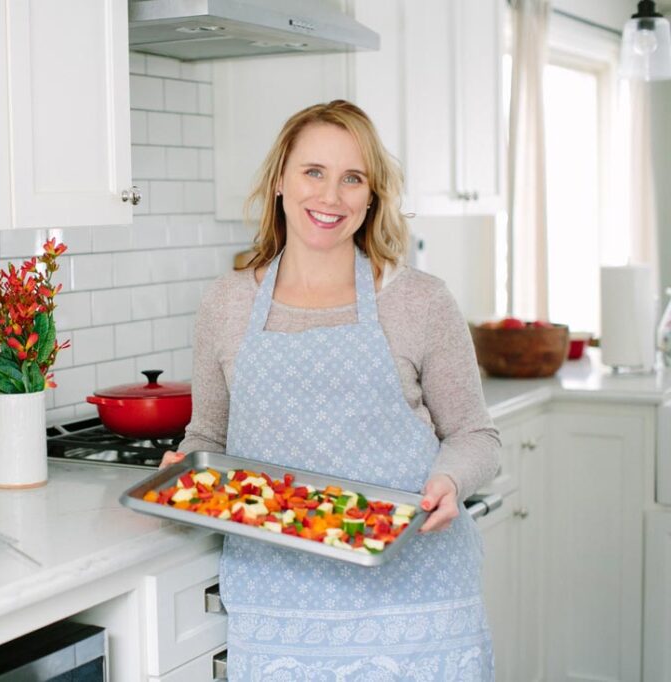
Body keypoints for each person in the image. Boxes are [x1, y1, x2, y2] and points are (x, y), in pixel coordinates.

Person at [161, 100, 500, 680]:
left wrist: (450, 479)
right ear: (279, 182)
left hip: (416, 594)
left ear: (371, 196)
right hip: (279, 600)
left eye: (353, 178)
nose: (331, 196)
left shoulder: (421, 300)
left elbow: (476, 436)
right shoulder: (226, 302)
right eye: (313, 172)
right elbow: (209, 434)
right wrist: (184, 469)